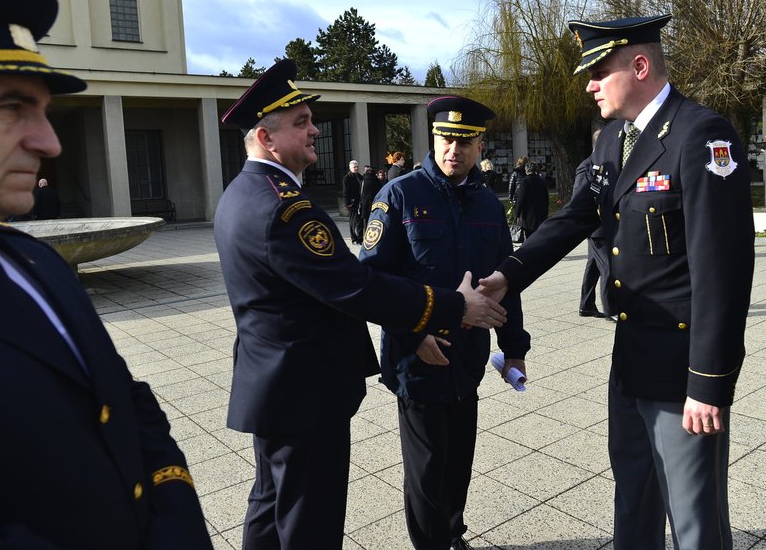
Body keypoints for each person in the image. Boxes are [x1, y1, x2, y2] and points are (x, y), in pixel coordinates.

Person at [0, 0, 212, 549]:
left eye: (44, 111)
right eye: (11, 107)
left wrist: (178, 520)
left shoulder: (33, 258)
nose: (49, 142)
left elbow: (124, 396)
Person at [479, 14, 755, 550]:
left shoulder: (701, 135)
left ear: (642, 65)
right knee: (632, 497)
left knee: (694, 516)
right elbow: (576, 217)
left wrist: (710, 382)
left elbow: (722, 269)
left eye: (600, 72)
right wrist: (508, 277)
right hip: (630, 355)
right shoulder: (613, 140)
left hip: (682, 369)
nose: (589, 85)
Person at [213, 61, 508, 550]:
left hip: (274, 383)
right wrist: (452, 308)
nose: (314, 130)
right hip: (305, 390)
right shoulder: (285, 208)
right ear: (267, 138)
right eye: (301, 122)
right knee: (308, 521)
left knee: (271, 508)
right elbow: (357, 285)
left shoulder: (243, 193)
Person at [358, 95, 529, 550]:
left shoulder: (489, 204)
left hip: (468, 357)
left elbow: (503, 283)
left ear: (479, 147)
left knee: (458, 464)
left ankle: (453, 535)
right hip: (418, 359)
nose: (453, 150)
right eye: (445, 139)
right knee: (427, 468)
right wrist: (412, 336)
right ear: (433, 139)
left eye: (464, 142)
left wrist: (514, 349)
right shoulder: (398, 194)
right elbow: (372, 280)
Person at [577, 129, 609, 318]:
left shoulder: (607, 163)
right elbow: (579, 198)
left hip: (604, 226)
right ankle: (611, 308)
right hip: (597, 227)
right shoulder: (587, 165)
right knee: (608, 268)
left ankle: (586, 305)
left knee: (594, 267)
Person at [513, 162, 549, 239]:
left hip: (528, 214)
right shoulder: (542, 181)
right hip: (540, 213)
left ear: (526, 170)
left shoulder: (525, 182)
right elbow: (546, 198)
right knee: (539, 235)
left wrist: (517, 213)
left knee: (529, 236)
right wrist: (546, 212)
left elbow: (521, 199)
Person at [342, 159, 364, 244]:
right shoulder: (346, 178)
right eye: (354, 167)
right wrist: (348, 203)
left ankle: (360, 238)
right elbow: (345, 192)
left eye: (357, 167)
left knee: (360, 221)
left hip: (360, 202)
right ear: (350, 168)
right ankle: (354, 238)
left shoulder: (360, 176)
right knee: (353, 221)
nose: (356, 168)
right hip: (352, 203)